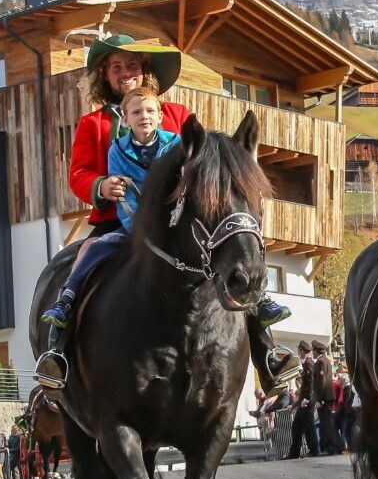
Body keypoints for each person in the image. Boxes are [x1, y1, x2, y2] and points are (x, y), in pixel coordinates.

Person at [58, 33, 294, 391]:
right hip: (118, 221)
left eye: (132, 65)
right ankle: (59, 353)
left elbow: (204, 161)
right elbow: (78, 174)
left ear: (145, 70)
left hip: (180, 224)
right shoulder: (94, 124)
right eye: (116, 67)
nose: (125, 73)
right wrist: (101, 187)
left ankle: (268, 355)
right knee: (85, 262)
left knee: (229, 266)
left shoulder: (176, 115)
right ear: (104, 75)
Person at [38, 84, 183, 368]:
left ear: (160, 115)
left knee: (223, 248)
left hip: (174, 223)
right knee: (95, 247)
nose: (145, 116)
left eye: (150, 111)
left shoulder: (177, 143)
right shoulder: (113, 145)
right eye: (137, 112)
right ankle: (66, 303)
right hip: (132, 224)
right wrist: (104, 189)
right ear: (125, 119)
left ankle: (260, 325)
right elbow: (121, 195)